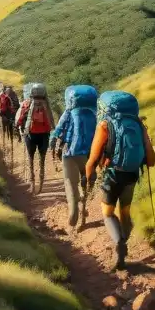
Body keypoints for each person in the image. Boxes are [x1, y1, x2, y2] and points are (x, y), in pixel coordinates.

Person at [86, 90, 155, 271]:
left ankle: (119, 244)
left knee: (108, 213)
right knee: (125, 211)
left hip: (112, 175)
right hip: (132, 175)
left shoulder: (104, 125)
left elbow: (93, 159)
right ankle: (124, 240)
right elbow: (152, 159)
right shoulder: (138, 125)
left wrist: (88, 179)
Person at [51, 85, 98, 235]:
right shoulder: (95, 114)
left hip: (70, 153)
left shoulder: (68, 112)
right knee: (88, 180)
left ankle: (73, 213)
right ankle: (84, 203)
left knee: (70, 182)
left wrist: (52, 142)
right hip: (90, 154)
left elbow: (58, 130)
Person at [15, 82, 55, 193]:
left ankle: (32, 183)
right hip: (44, 134)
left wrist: (17, 125)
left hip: (30, 134)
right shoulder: (46, 104)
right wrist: (54, 129)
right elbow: (51, 118)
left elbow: (21, 117)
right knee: (42, 159)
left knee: (30, 158)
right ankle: (41, 182)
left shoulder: (27, 103)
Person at [0, 84, 16, 148]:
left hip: (7, 112)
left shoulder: (8, 97)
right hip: (2, 112)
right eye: (4, 89)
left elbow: (11, 105)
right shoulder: (1, 96)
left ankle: (11, 139)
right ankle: (4, 140)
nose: (5, 91)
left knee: (11, 121)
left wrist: (11, 109)